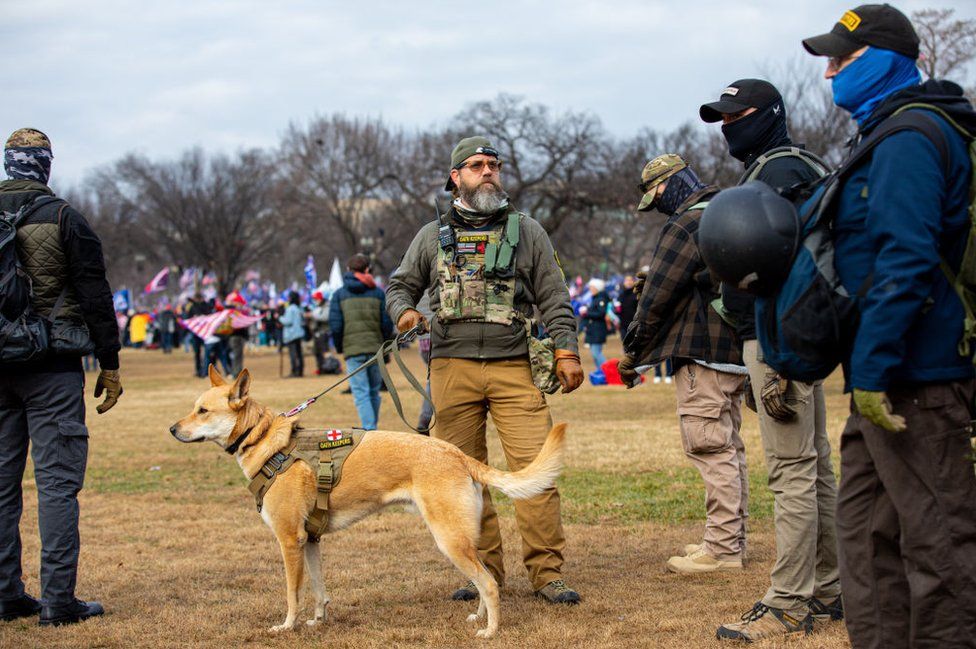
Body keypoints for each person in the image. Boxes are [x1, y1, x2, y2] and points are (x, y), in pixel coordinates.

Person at [802, 6, 976, 647]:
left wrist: (872, 369)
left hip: (918, 378)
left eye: (840, 59)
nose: (828, 73)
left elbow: (905, 259)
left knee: (940, 542)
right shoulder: (881, 135)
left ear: (882, 59)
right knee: (865, 533)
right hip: (886, 376)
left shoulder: (909, 137)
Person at [386, 136, 584, 604]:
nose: (488, 171)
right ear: (456, 177)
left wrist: (566, 350)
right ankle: (483, 571)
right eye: (476, 165)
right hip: (451, 368)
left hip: (514, 366)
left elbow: (554, 296)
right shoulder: (430, 236)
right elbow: (400, 285)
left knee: (535, 470)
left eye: (493, 164)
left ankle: (547, 573)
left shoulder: (528, 230)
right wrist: (404, 314)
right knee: (460, 478)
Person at [700, 80, 841, 640]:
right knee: (815, 464)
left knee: (792, 471)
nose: (728, 126)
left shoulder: (778, 172)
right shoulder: (799, 163)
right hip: (798, 332)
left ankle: (789, 600)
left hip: (780, 336)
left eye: (738, 115)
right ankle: (832, 590)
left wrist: (775, 358)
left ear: (771, 114)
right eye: (722, 118)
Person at [0, 128, 121, 625]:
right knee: (56, 485)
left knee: (2, 487)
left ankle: (6, 594)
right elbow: (95, 295)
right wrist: (109, 363)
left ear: (9, 165)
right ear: (45, 166)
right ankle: (57, 601)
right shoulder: (64, 217)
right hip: (52, 367)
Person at [618, 154, 748, 574]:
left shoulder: (685, 223)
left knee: (710, 448)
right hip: (737, 352)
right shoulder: (729, 206)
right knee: (729, 448)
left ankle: (723, 549)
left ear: (670, 185)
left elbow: (656, 298)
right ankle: (728, 536)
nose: (658, 209)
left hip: (703, 353)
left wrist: (633, 352)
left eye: (656, 197)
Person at [328, 254, 394, 431]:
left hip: (353, 350)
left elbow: (335, 326)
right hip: (375, 349)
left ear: (348, 270)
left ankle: (369, 429)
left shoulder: (339, 295)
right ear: (367, 270)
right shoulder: (379, 293)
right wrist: (386, 347)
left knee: (361, 393)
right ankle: (371, 428)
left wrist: (341, 347)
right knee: (373, 391)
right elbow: (387, 324)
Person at [280, 292, 305, 377]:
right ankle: (300, 371)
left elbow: (288, 321)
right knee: (299, 354)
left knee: (293, 354)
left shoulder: (290, 309)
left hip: (291, 334)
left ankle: (294, 371)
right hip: (298, 333)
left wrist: (279, 318)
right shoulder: (299, 308)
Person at [225, 290, 249, 378]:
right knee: (236, 355)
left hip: (237, 336)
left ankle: (237, 372)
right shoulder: (233, 313)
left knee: (237, 355)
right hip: (235, 336)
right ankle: (236, 373)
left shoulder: (237, 312)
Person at [308, 290, 332, 375]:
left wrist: (312, 315)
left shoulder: (327, 306)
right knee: (317, 351)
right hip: (316, 332)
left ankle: (330, 367)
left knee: (325, 351)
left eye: (316, 299)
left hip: (324, 332)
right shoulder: (316, 307)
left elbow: (325, 317)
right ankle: (321, 368)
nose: (315, 301)